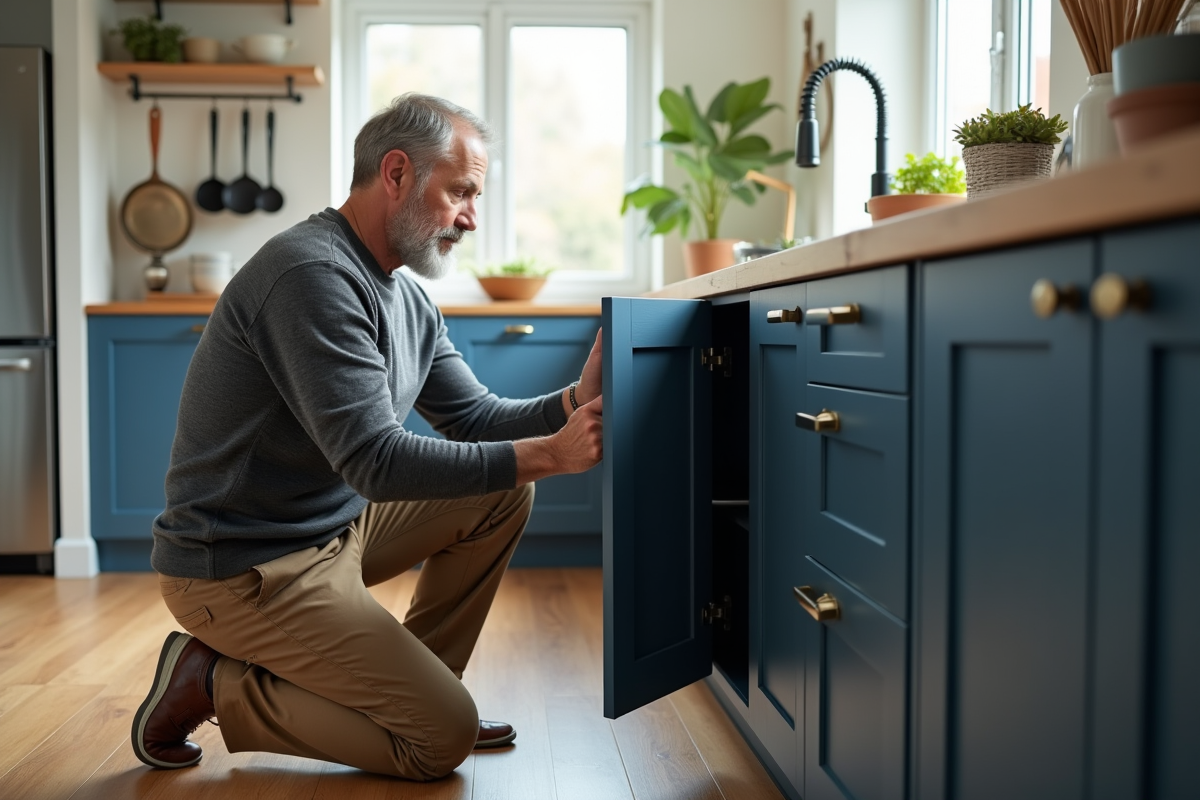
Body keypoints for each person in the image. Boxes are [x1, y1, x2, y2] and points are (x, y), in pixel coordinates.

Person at [130, 93, 604, 781]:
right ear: (396, 174)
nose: (471, 217)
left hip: (330, 532)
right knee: (438, 745)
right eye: (461, 192)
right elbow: (375, 462)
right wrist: (551, 454)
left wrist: (572, 403)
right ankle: (211, 682)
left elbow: (472, 418)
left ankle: (414, 692)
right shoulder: (312, 275)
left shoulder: (404, 294)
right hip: (241, 567)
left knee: (504, 494)